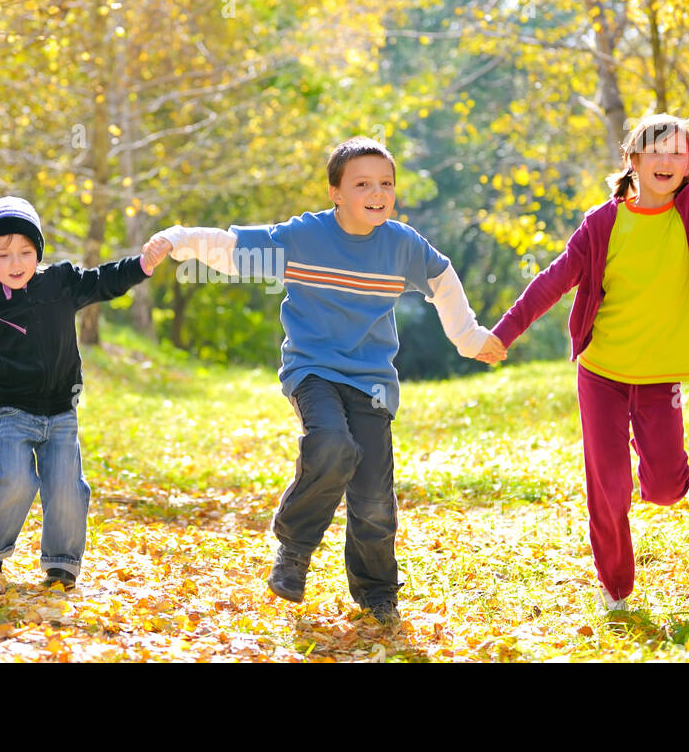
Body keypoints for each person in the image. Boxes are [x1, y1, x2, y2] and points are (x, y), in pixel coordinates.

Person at [143, 138, 505, 627]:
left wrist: (470, 338)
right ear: (335, 192)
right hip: (313, 370)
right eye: (362, 184)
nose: (377, 193)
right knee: (333, 446)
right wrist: (178, 238)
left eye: (385, 184)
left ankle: (377, 591)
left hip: (373, 381)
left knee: (375, 496)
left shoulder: (402, 245)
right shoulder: (304, 237)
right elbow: (233, 249)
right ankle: (294, 550)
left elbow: (443, 280)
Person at [489, 32, 689, 612]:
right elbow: (553, 281)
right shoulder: (602, 226)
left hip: (659, 377)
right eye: (654, 149)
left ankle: (660, 473)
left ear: (688, 165)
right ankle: (616, 587)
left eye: (678, 151)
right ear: (631, 161)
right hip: (603, 373)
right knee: (607, 488)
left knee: (661, 489)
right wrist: (503, 333)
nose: (667, 159)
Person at [0, 197, 160, 591]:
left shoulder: (59, 283)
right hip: (13, 412)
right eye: (3, 254)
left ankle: (61, 565)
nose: (16, 263)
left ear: (38, 253)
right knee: (15, 479)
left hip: (62, 412)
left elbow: (101, 281)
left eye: (26, 252)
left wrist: (141, 265)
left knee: (66, 488)